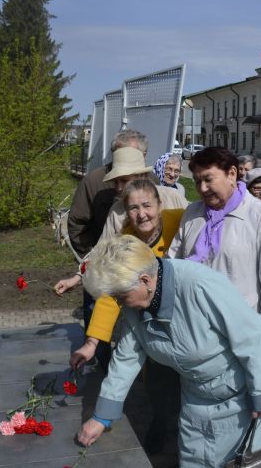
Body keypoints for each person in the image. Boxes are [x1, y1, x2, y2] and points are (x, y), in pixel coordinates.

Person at [75, 235, 261, 467]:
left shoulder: (200, 285)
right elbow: (126, 359)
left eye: (121, 297)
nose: (119, 304)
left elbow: (255, 339)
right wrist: (102, 415)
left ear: (145, 280)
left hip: (244, 401)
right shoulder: (135, 304)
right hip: (196, 401)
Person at [55, 179, 184, 453]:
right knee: (158, 381)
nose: (142, 214)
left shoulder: (180, 221)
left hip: (184, 315)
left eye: (147, 205)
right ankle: (161, 423)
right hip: (149, 323)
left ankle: (182, 424)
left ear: (159, 206)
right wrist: (91, 343)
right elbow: (110, 294)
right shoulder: (125, 242)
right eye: (134, 208)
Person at [168, 147, 261, 339]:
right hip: (193, 329)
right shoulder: (192, 213)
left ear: (232, 174)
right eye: (197, 182)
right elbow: (174, 264)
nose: (202, 188)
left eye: (208, 179)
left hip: (240, 334)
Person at [66, 129, 149, 369]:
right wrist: (83, 269)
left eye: (125, 180)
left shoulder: (162, 195)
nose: (119, 187)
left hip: (145, 279)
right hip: (105, 269)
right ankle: (102, 361)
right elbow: (98, 240)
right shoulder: (97, 186)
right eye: (117, 181)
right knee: (99, 312)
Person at [100, 148, 188, 239]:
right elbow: (104, 249)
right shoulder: (116, 211)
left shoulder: (173, 197)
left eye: (124, 180)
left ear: (142, 176)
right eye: (115, 182)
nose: (119, 188)